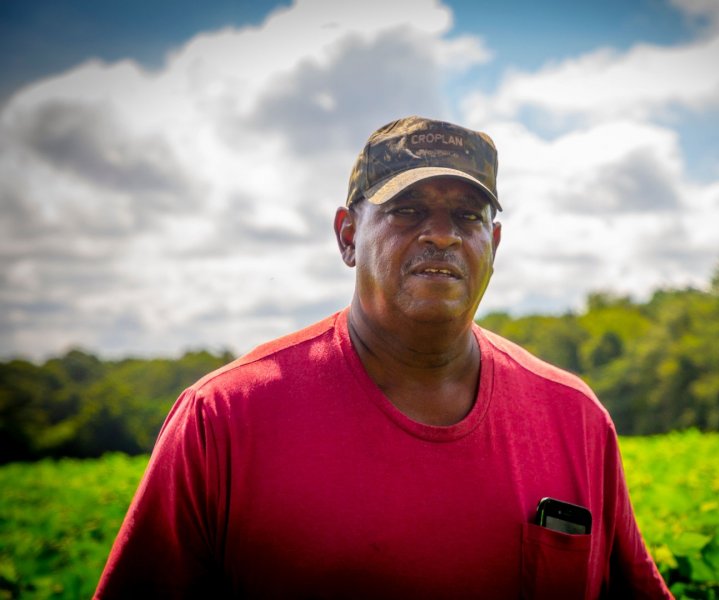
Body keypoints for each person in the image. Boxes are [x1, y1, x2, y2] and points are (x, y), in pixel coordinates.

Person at [95, 116, 672, 599]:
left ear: (493, 246)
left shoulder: (574, 417)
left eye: (468, 216)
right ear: (347, 235)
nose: (442, 235)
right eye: (407, 209)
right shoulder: (221, 418)